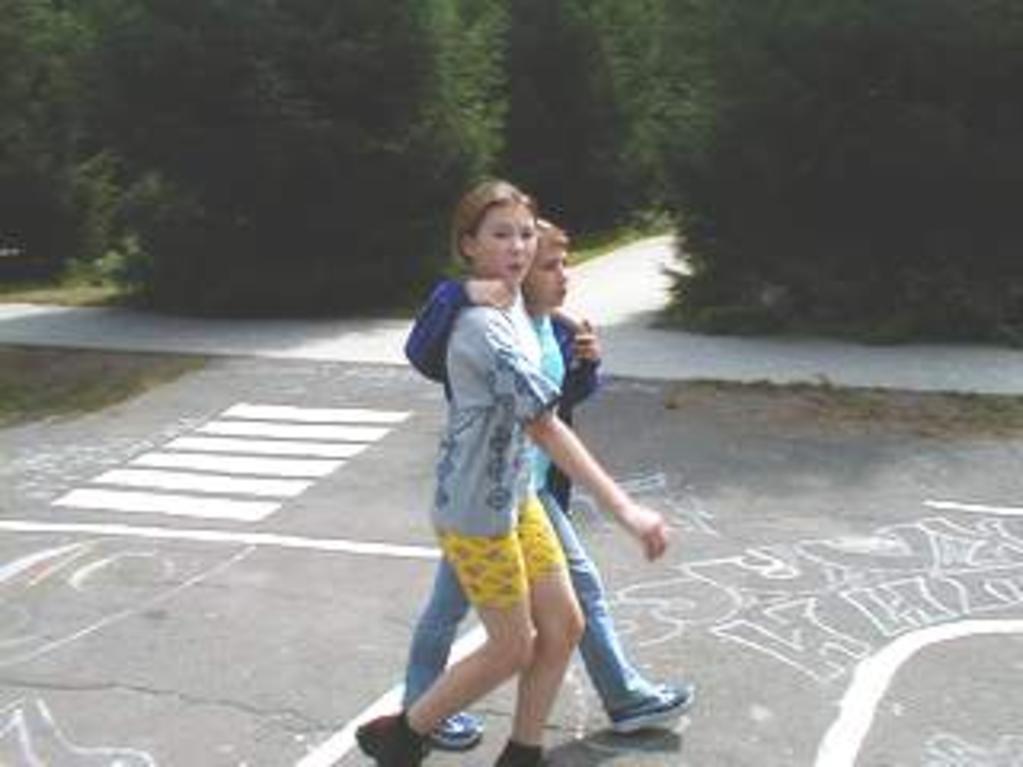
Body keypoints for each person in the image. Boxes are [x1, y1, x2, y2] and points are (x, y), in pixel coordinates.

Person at [355, 180, 670, 767]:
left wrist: (579, 351)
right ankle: (403, 734)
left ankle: (522, 752)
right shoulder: (483, 328)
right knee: (511, 648)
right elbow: (544, 426)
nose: (518, 246)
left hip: (518, 498)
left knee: (566, 624)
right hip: (475, 513)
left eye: (526, 234)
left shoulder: (518, 310)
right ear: (468, 244)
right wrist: (625, 509)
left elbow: (548, 378)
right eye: (501, 235)